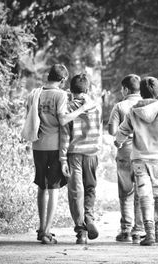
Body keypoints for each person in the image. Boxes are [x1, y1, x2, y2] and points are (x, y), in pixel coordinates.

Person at [25, 64, 96, 245]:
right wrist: (83, 108)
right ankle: (48, 231)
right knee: (53, 189)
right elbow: (64, 120)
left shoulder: (35, 94)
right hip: (55, 146)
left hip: (38, 145)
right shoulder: (61, 95)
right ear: (63, 80)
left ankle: (41, 229)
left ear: (48, 76)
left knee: (41, 187)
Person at [114, 76, 158, 246]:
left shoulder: (133, 111)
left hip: (139, 159)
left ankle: (149, 234)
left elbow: (122, 130)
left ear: (141, 92)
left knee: (143, 194)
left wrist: (118, 141)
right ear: (157, 91)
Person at [60, 74, 102, 244]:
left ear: (71, 91)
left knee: (76, 191)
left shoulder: (69, 108)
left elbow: (64, 136)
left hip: (74, 154)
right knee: (90, 188)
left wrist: (62, 158)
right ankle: (90, 218)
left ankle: (81, 231)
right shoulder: (96, 107)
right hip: (92, 153)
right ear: (88, 89)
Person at [108, 74, 144, 244]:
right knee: (140, 192)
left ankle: (126, 231)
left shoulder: (120, 106)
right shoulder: (147, 104)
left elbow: (112, 130)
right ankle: (138, 231)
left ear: (126, 90)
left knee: (125, 192)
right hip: (142, 154)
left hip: (124, 153)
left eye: (122, 88)